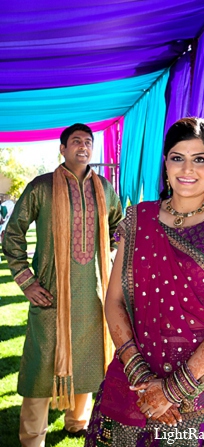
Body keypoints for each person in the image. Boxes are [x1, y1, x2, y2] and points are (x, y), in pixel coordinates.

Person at [84, 117, 204, 447]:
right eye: (177, 157)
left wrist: (171, 390)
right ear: (165, 162)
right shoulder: (139, 217)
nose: (187, 169)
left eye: (200, 159)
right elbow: (114, 301)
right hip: (133, 380)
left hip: (200, 390)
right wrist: (141, 377)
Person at [2, 123, 122, 447]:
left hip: (93, 295)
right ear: (63, 148)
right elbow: (11, 234)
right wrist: (27, 282)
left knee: (88, 360)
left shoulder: (105, 189)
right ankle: (32, 438)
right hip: (51, 295)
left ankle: (76, 422)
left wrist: (109, 257)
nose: (83, 147)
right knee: (41, 368)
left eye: (88, 142)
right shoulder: (41, 187)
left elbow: (119, 228)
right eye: (76, 142)